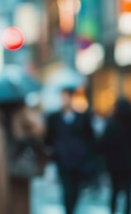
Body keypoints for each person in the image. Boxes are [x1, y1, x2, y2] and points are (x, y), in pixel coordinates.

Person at [0, 82, 45, 214]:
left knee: (18, 205)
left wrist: (25, 111)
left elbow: (38, 130)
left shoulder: (21, 113)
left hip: (19, 168)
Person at [44, 86, 99, 214]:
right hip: (63, 160)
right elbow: (49, 138)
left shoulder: (82, 117)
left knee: (76, 188)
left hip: (79, 160)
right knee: (67, 188)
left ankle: (71, 209)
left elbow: (89, 137)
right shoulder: (54, 118)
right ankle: (69, 210)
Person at [98, 97, 131, 214]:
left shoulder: (112, 125)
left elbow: (103, 145)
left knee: (114, 192)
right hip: (129, 165)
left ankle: (113, 211)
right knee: (129, 193)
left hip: (115, 165)